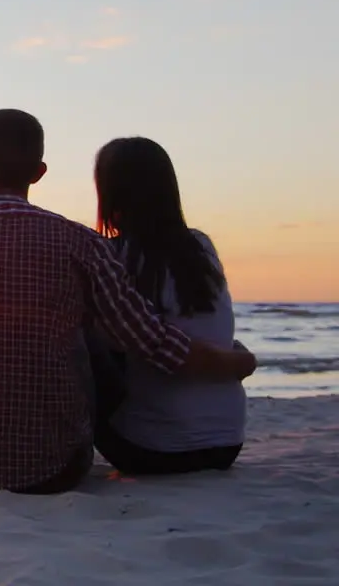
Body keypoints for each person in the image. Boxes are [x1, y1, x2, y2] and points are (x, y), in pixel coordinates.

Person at [0, 109, 257, 494]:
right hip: (59, 469)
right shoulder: (82, 244)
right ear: (39, 173)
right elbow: (151, 342)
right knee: (82, 320)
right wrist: (235, 362)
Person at [87, 136, 246, 474]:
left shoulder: (112, 255)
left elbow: (146, 346)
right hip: (228, 442)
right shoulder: (201, 247)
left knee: (81, 336)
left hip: (150, 449)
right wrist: (239, 360)